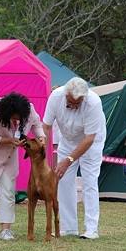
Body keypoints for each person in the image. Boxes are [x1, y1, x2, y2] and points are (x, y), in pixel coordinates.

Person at [0, 92, 45, 240]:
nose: (17, 122)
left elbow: (37, 124)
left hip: (10, 154)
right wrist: (10, 140)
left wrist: (41, 136)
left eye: (19, 119)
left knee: (8, 190)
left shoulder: (29, 110)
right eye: (13, 119)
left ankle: (6, 230)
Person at [43, 76, 106, 240]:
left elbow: (89, 139)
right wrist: (43, 154)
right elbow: (46, 127)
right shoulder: (55, 97)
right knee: (63, 180)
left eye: (78, 103)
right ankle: (68, 227)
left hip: (91, 142)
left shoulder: (94, 103)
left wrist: (68, 160)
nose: (74, 106)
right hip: (67, 140)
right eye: (71, 102)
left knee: (89, 181)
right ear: (65, 94)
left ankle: (91, 229)